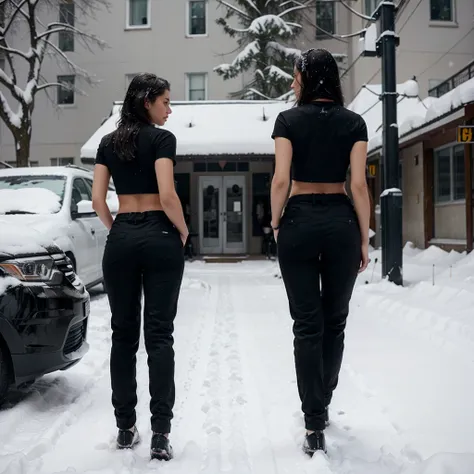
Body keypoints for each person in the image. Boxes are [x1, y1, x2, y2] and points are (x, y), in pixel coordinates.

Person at [270, 49, 370, 456]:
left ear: (309, 78)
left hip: (298, 221)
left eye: (297, 76)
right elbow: (359, 186)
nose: (294, 82)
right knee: (335, 320)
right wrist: (364, 237)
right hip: (341, 222)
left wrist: (277, 223)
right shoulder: (354, 123)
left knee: (306, 324)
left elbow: (280, 180)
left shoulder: (288, 120)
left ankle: (313, 421)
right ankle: (323, 399)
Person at [92, 73, 188, 461]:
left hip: (123, 236)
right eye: (165, 101)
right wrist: (182, 231)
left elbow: (99, 200)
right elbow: (167, 194)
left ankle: (124, 426)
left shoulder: (107, 143)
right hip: (161, 236)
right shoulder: (162, 139)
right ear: (146, 101)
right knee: (160, 336)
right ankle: (161, 433)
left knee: (123, 335)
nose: (169, 108)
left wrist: (120, 231)